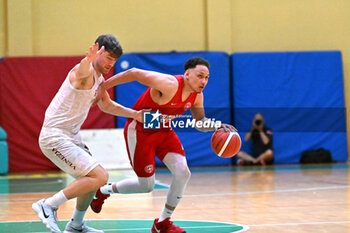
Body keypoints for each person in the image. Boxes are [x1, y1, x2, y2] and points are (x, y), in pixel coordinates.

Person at [89, 57, 235, 233]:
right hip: (140, 131)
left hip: (164, 131)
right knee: (146, 186)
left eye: (207, 77)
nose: (203, 81)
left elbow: (199, 122)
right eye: (200, 76)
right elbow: (133, 73)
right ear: (187, 74)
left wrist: (216, 126)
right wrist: (102, 87)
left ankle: (162, 223)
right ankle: (104, 190)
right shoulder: (169, 84)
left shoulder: (197, 96)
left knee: (183, 173)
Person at [32, 34, 143, 233]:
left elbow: (106, 105)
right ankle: (47, 205)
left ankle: (75, 225)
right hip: (54, 137)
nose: (111, 63)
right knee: (100, 176)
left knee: (91, 181)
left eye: (114, 60)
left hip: (71, 137)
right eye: (108, 57)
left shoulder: (99, 79)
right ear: (97, 51)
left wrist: (135, 114)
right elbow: (81, 72)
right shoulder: (82, 71)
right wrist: (87, 60)